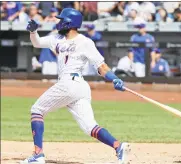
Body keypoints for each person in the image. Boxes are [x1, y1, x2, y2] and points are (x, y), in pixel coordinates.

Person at [21, 8, 130, 164]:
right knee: (90, 127)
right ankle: (118, 146)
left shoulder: (85, 42)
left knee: (37, 110)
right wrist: (33, 32)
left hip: (70, 83)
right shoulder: (57, 39)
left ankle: (38, 155)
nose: (58, 22)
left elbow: (101, 66)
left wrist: (115, 79)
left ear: (69, 22)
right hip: (78, 87)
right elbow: (37, 42)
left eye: (61, 20)